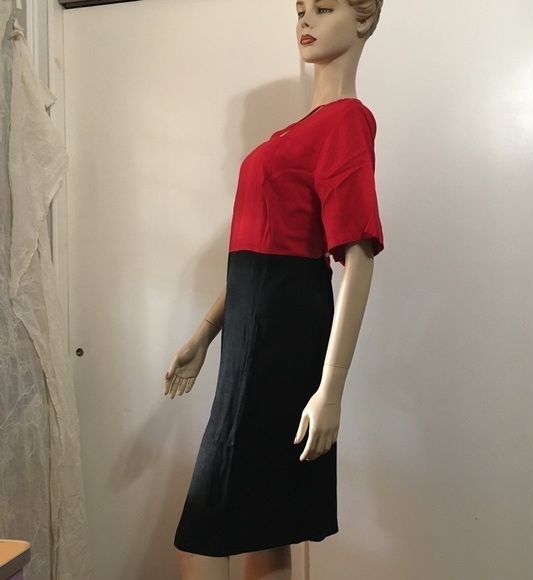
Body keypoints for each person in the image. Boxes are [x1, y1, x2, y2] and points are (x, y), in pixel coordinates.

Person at [164, 1, 384, 578]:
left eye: (324, 8)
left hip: (281, 335)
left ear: (365, 18)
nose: (305, 21)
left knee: (208, 525)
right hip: (252, 327)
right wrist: (205, 334)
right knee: (265, 519)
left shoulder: (346, 120)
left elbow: (358, 256)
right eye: (300, 10)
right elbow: (254, 254)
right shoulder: (292, 132)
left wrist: (331, 388)